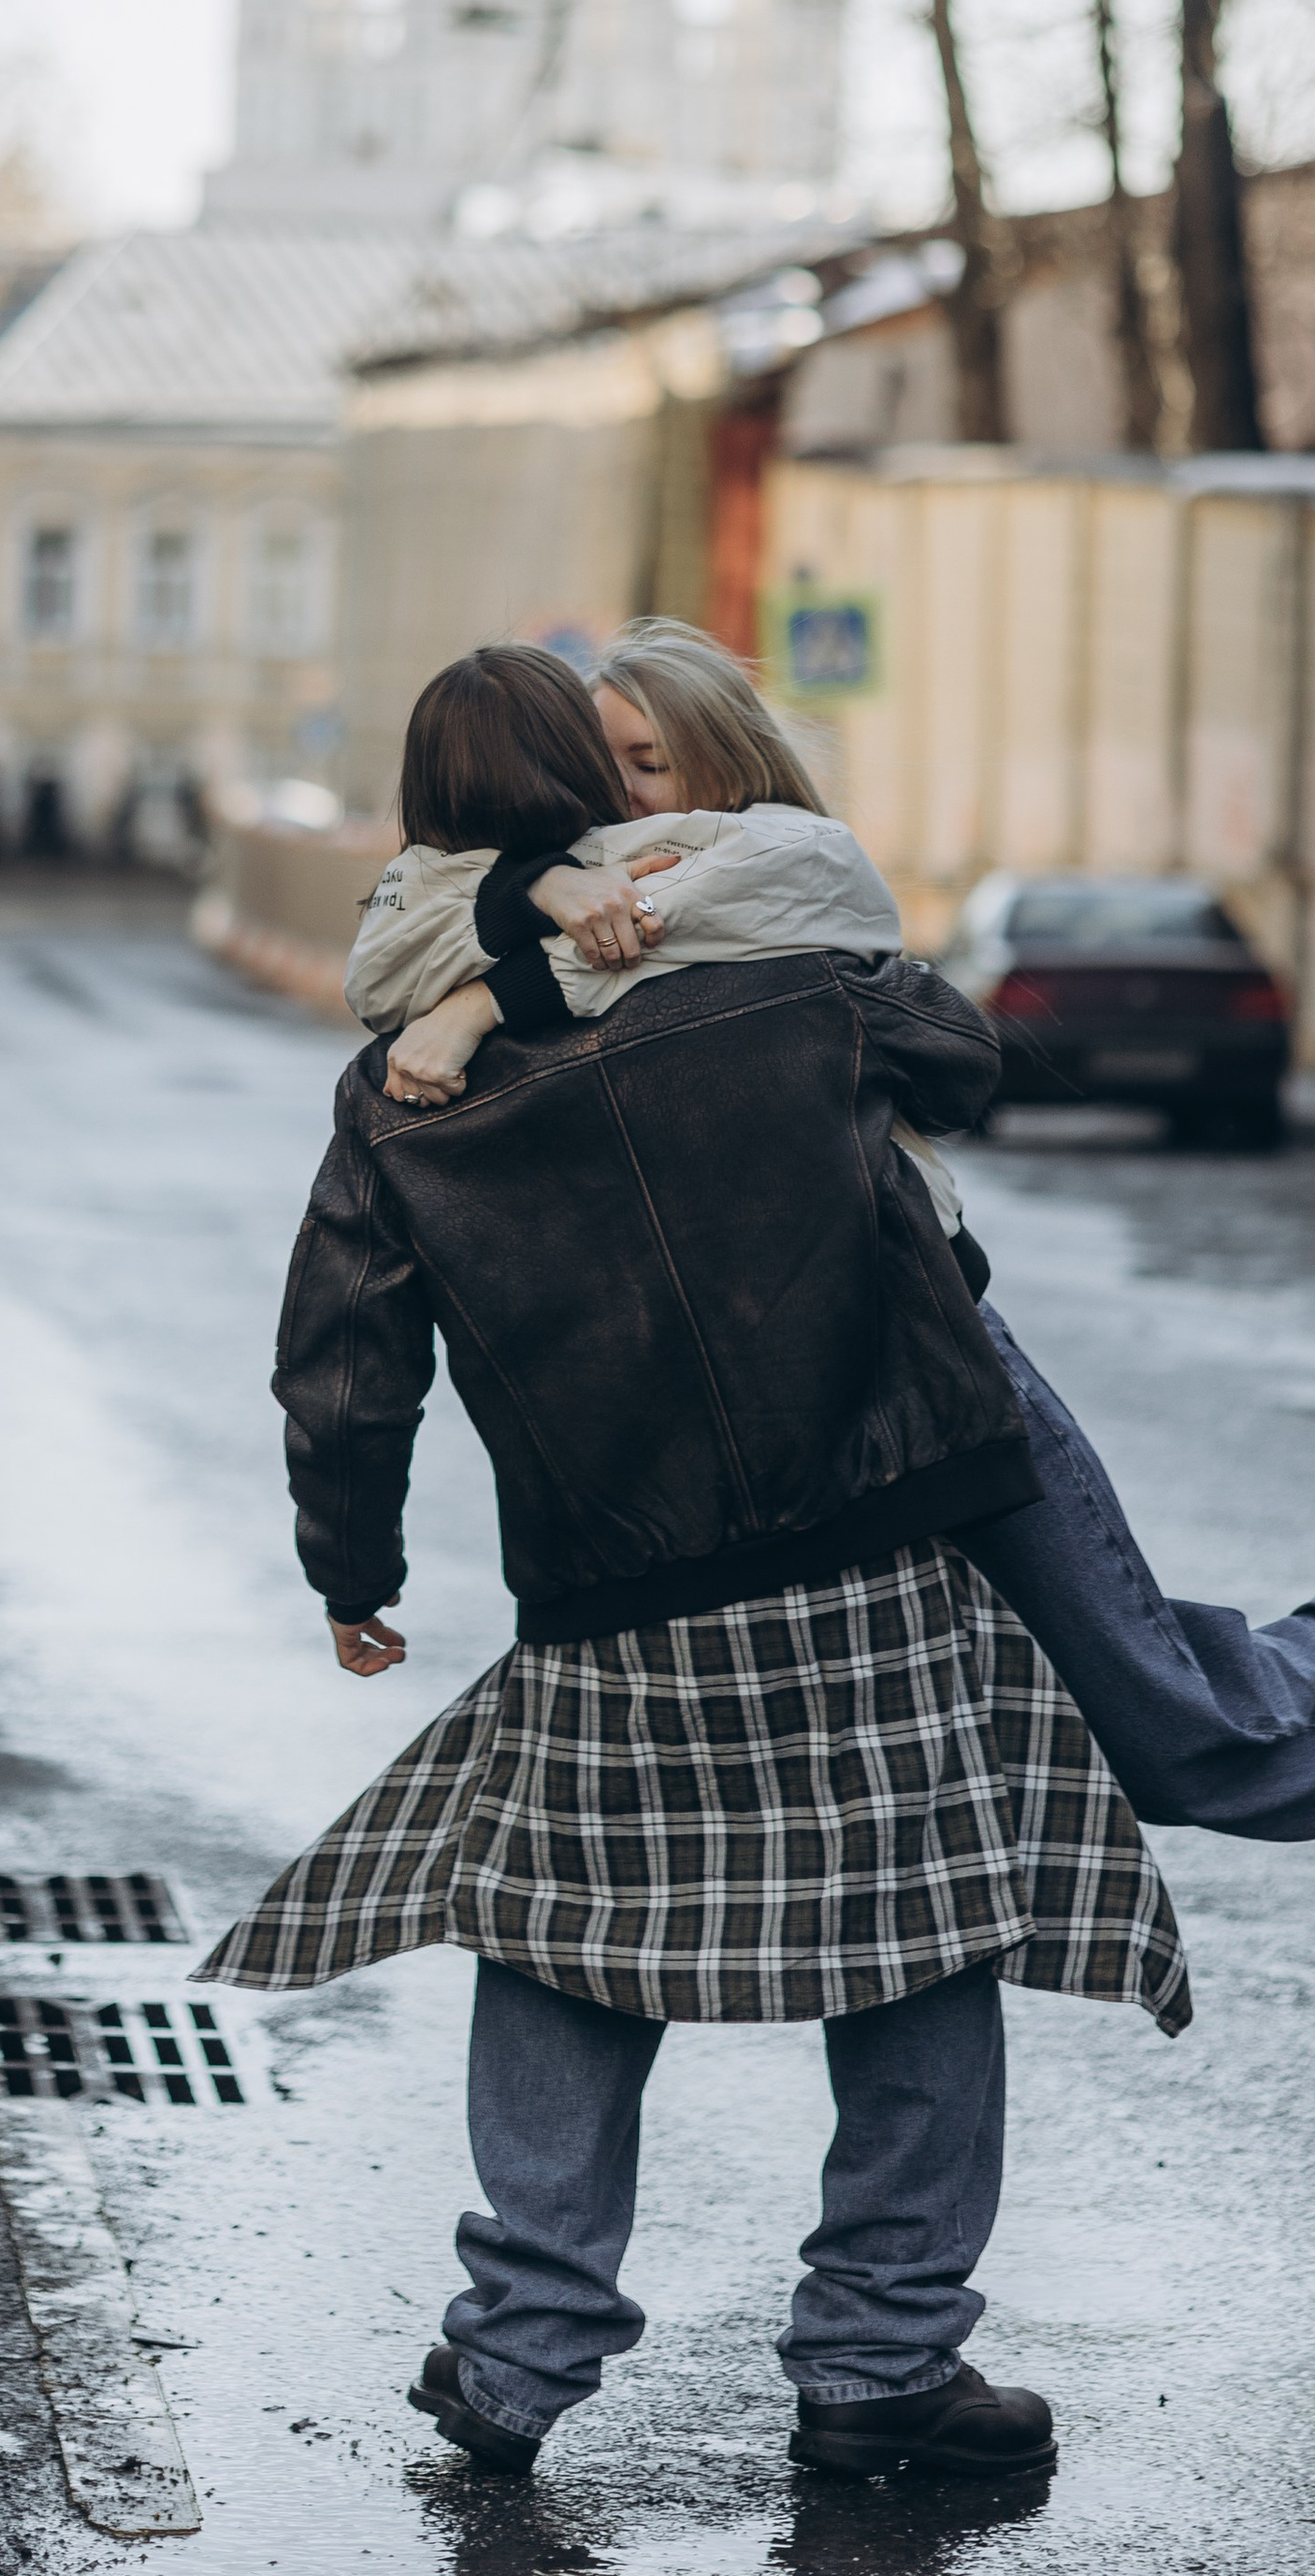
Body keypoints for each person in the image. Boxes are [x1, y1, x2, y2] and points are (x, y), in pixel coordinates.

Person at [198, 642, 1191, 2487]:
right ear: (595, 797)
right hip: (861, 1562)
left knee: (565, 1945)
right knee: (916, 1939)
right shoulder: (780, 983)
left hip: (609, 1596)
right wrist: (742, 905)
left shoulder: (398, 1088)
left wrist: (353, 1573)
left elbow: (341, 1365)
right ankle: (881, 2365)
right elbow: (966, 1060)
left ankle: (516, 2352)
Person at [366, 617, 1315, 1858]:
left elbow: (683, 947)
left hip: (933, 1345)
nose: (614, 794)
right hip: (787, 1406)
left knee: (1152, 1721)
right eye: (596, 762)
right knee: (961, 1744)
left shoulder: (785, 864)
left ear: (725, 764)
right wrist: (534, 894)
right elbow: (385, 950)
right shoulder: (561, 885)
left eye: (648, 762)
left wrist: (482, 995)